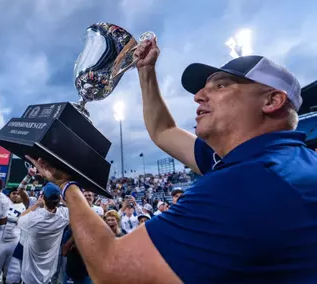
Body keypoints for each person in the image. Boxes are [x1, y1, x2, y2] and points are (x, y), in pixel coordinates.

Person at [25, 37, 317, 283]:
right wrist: (145, 71)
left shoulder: (252, 181)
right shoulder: (275, 161)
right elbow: (163, 131)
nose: (199, 96)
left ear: (271, 101)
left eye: (221, 86)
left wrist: (67, 185)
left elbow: (111, 269)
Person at [12, 183, 69, 284]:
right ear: (59, 199)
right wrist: (62, 200)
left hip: (30, 274)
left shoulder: (33, 219)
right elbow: (75, 210)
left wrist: (36, 204)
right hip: (48, 273)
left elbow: (20, 218)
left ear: (42, 197)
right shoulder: (64, 215)